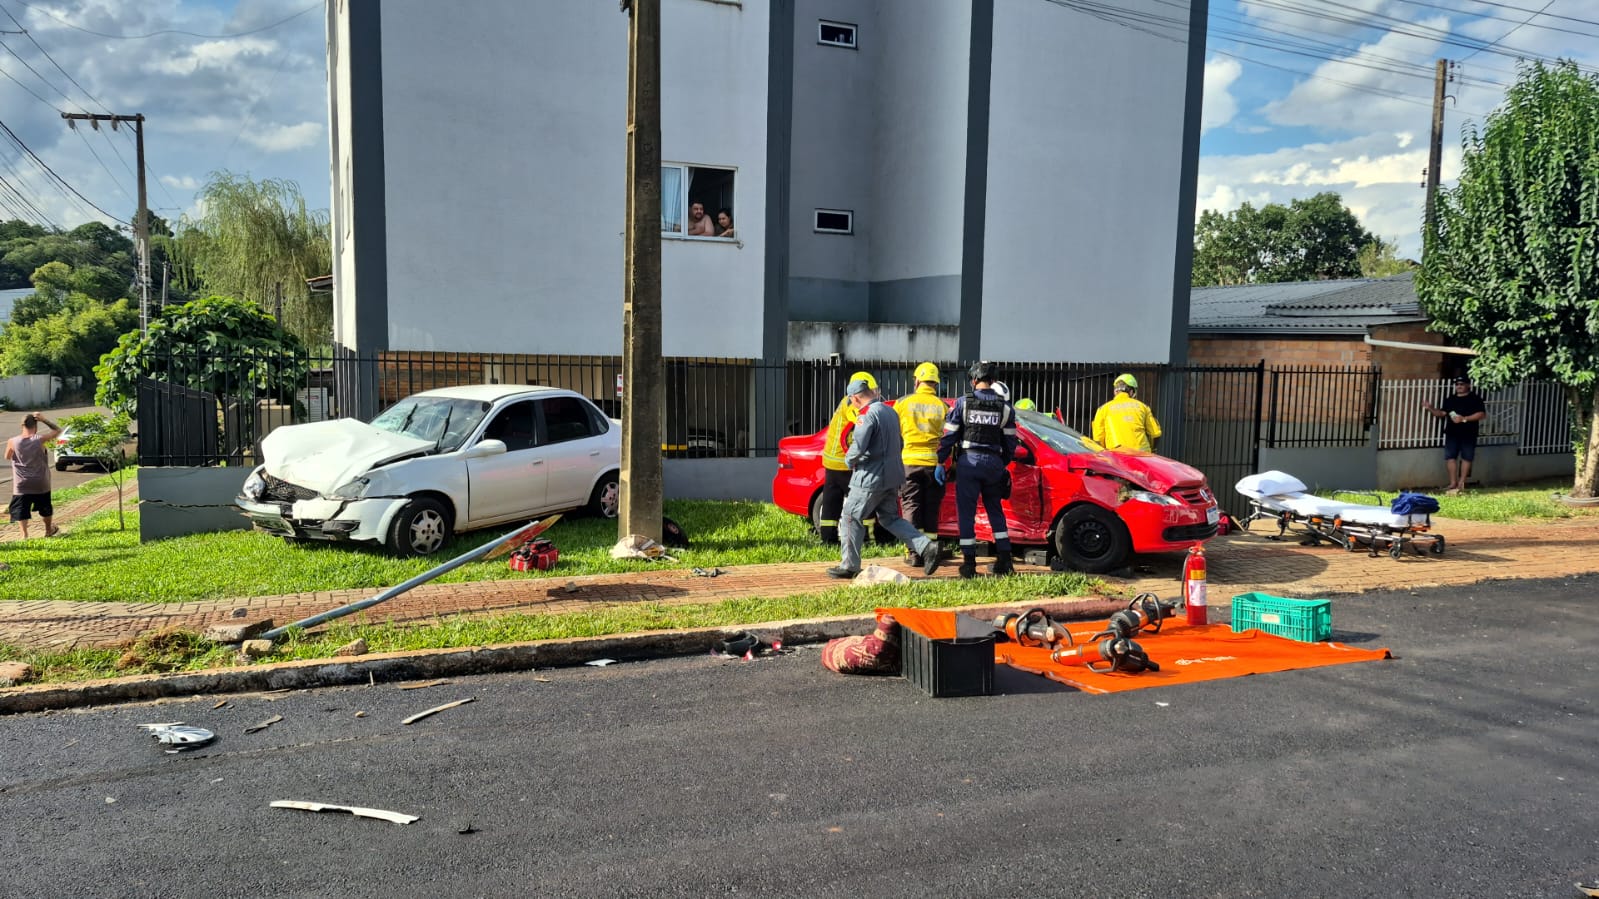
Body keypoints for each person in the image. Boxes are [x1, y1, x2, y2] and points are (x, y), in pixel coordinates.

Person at [828, 378, 941, 579]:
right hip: (892, 476)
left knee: (850, 516)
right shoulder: (890, 411)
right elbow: (900, 442)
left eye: (852, 401)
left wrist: (849, 460)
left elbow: (858, 445)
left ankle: (850, 566)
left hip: (870, 477)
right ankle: (926, 547)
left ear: (855, 398)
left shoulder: (866, 415)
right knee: (890, 518)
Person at [937, 362, 1017, 578]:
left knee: (966, 513)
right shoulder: (1005, 408)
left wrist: (940, 461)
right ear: (993, 381)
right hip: (993, 464)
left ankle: (969, 564)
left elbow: (949, 436)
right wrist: (1001, 463)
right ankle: (1005, 560)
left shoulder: (963, 403)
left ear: (973, 381)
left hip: (969, 463)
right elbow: (1011, 443)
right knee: (995, 511)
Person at [818, 370, 879, 545]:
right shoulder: (852, 404)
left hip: (832, 461)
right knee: (863, 498)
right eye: (873, 390)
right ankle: (869, 538)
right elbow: (862, 423)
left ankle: (828, 538)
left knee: (831, 502)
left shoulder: (845, 401)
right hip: (845, 462)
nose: (875, 393)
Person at [895, 362, 947, 563]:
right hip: (934, 465)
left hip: (909, 462)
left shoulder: (902, 403)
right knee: (931, 509)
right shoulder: (943, 406)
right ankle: (930, 552)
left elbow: (893, 432)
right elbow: (949, 437)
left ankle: (914, 553)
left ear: (917, 381)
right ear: (936, 383)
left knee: (911, 507)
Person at [1423, 376, 1487, 494]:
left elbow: (1482, 414)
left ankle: (1461, 483)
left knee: (1467, 457)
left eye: (1462, 384)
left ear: (1468, 385)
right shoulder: (1450, 399)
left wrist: (1464, 418)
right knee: (1450, 457)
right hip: (1452, 433)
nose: (1459, 386)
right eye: (1457, 384)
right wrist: (1430, 408)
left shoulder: (1475, 399)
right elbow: (1442, 413)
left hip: (1468, 433)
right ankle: (1453, 483)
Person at [7, 412, 62, 539]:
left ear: (22, 426)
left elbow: (7, 456)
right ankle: (48, 530)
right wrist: (44, 420)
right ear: (35, 426)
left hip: (21, 484)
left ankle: (24, 534)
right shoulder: (40, 439)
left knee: (21, 509)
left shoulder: (12, 441)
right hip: (41, 482)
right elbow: (58, 430)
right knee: (45, 507)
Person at [1092, 373, 1161, 451]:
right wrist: (1153, 450)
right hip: (1141, 455)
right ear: (1131, 392)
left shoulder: (1102, 409)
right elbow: (1155, 434)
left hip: (1116, 455)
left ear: (1115, 392)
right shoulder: (1143, 407)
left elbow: (1098, 439)